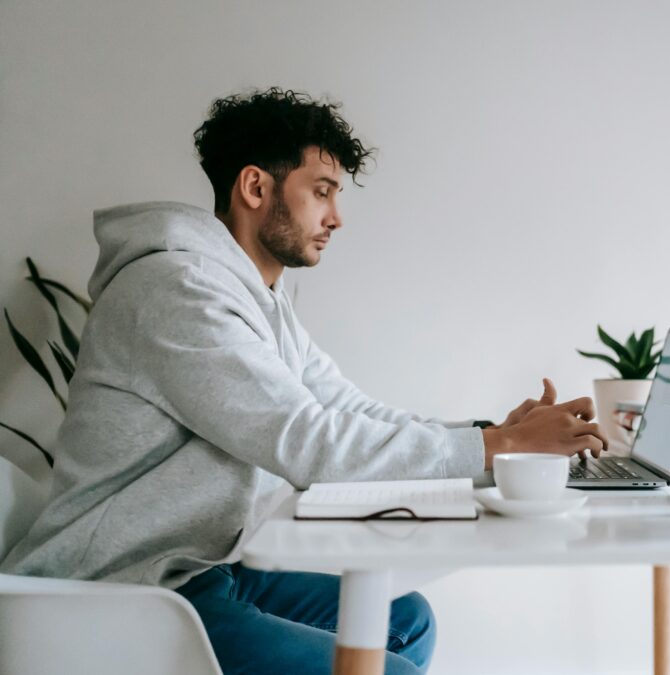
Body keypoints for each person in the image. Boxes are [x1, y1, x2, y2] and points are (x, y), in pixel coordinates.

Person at [1, 87, 609, 675]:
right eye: (322, 193)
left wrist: (493, 435)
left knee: (406, 623)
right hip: (126, 589)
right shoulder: (178, 291)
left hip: (207, 566)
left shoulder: (257, 296)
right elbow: (307, 441)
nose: (336, 218)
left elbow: (344, 407)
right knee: (386, 667)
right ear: (256, 187)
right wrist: (495, 450)